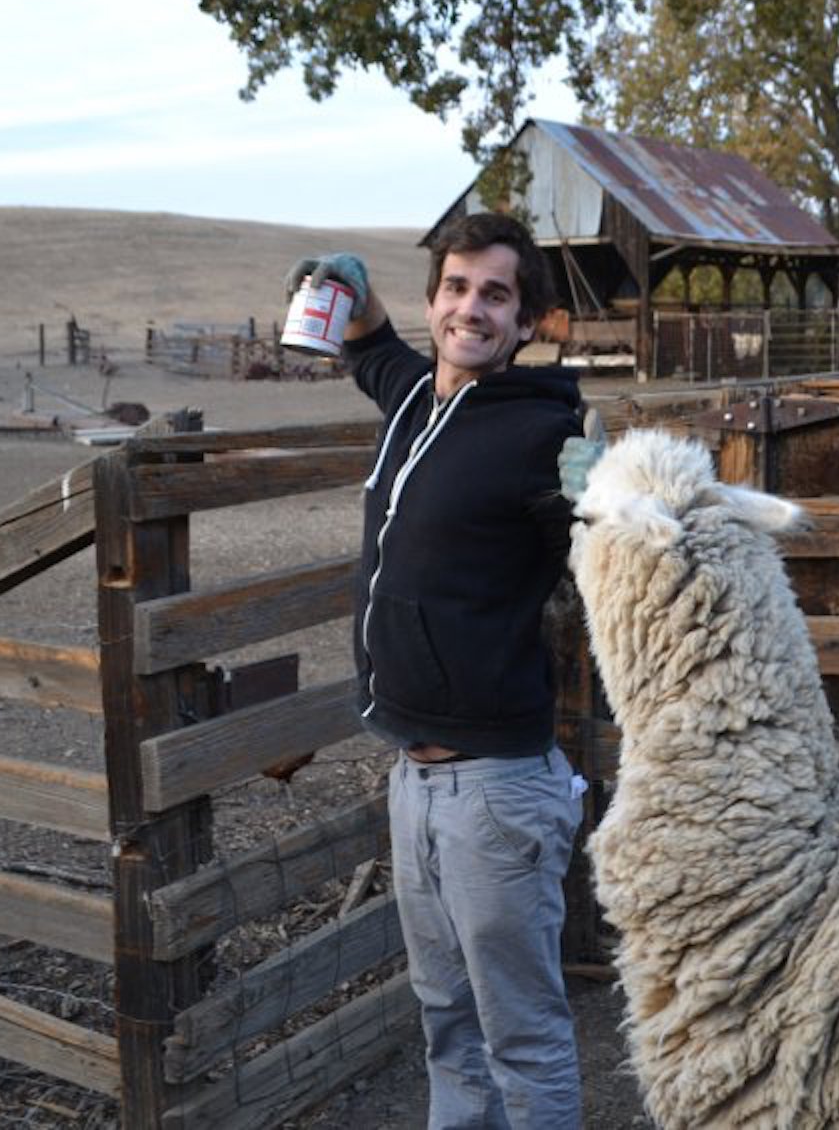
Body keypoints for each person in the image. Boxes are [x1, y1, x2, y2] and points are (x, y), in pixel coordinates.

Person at [289, 213, 595, 1128]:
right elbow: (374, 347)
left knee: (523, 1035)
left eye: (495, 294)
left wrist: (607, 504)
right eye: (456, 288)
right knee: (448, 1025)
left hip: (497, 789)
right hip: (414, 781)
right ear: (433, 301)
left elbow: (606, 568)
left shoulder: (543, 436)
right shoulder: (417, 399)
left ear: (527, 319)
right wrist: (352, 292)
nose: (472, 308)